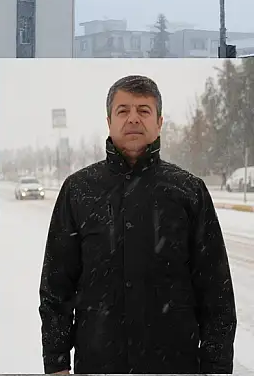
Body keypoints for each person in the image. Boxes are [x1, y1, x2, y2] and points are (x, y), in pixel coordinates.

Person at [39, 75, 236, 375]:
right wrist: (55, 363)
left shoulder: (188, 191)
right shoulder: (78, 190)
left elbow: (216, 290)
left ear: (159, 122)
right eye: (123, 110)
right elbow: (56, 287)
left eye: (143, 110)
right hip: (98, 364)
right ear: (109, 121)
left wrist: (217, 366)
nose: (133, 118)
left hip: (175, 365)